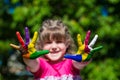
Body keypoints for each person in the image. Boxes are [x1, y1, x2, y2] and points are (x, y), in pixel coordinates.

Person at [10, 19, 102, 80]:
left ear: (67, 43)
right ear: (41, 45)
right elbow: (31, 63)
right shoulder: (41, 66)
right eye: (48, 42)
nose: (54, 46)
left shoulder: (71, 63)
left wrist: (85, 57)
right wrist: (27, 55)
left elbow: (80, 63)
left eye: (59, 41)